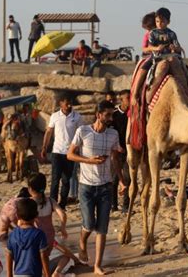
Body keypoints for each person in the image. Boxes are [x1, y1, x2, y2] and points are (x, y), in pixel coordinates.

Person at [67, 100, 127, 275]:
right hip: (86, 186)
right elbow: (70, 155)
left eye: (111, 115)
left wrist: (122, 181)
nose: (110, 118)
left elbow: (115, 159)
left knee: (102, 228)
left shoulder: (113, 134)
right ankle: (82, 242)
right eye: (107, 115)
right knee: (89, 224)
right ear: (98, 114)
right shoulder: (83, 131)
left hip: (106, 186)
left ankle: (97, 266)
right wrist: (88, 161)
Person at [41, 93, 83, 210]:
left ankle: (62, 204)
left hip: (70, 153)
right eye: (66, 103)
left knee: (66, 180)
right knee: (55, 179)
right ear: (60, 103)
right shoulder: (54, 116)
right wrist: (44, 147)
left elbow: (81, 134)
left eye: (70, 103)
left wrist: (79, 149)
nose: (69, 105)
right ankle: (53, 203)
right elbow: (49, 132)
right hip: (57, 152)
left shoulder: (77, 117)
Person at [27, 173, 73, 277]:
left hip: (36, 237)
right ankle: (56, 272)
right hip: (49, 236)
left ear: (30, 189)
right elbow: (63, 214)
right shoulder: (50, 201)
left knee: (36, 258)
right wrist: (63, 228)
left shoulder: (29, 203)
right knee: (59, 257)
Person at [6, 198, 51, 277]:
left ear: (17, 216)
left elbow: (9, 256)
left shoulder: (12, 234)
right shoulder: (39, 234)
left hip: (17, 274)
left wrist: (9, 275)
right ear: (36, 215)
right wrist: (47, 275)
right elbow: (44, 256)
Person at [111, 90, 131, 213]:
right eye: (128, 98)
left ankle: (126, 206)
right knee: (114, 179)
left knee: (128, 178)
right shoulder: (113, 115)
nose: (130, 100)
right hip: (115, 152)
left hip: (129, 151)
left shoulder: (133, 114)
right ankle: (113, 205)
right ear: (121, 100)